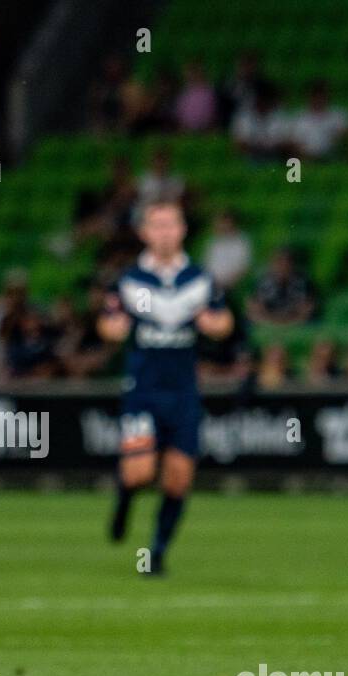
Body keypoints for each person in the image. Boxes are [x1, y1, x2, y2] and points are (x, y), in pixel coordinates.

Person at [97, 200, 231, 576]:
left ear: (183, 229)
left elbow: (225, 321)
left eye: (171, 224)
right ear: (144, 232)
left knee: (178, 478)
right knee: (139, 473)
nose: (165, 232)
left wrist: (214, 323)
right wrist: (114, 328)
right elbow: (107, 323)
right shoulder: (128, 279)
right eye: (157, 225)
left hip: (184, 392)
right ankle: (124, 499)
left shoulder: (200, 279)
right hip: (143, 389)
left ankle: (155, 554)